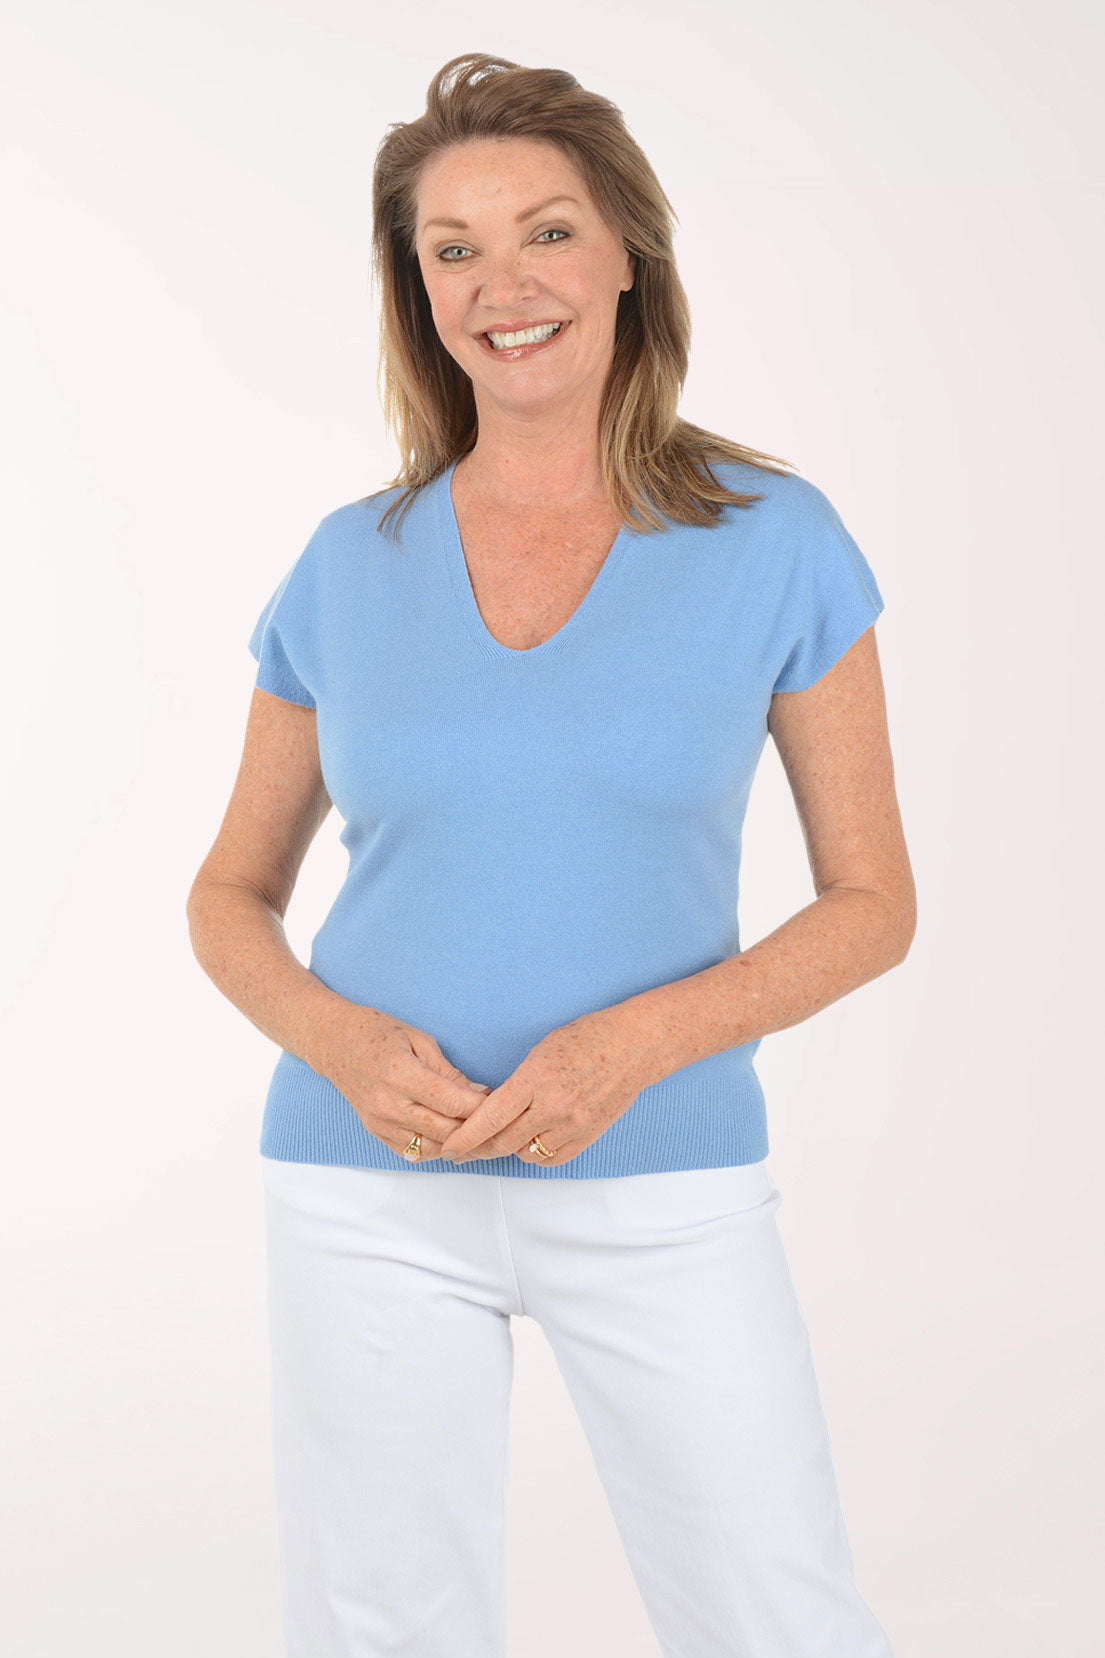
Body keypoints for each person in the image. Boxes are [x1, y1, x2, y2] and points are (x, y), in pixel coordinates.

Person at [187, 51, 914, 1658]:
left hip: (662, 1173)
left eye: (544, 232)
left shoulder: (772, 538)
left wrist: (630, 1047)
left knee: (773, 1611)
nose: (500, 284)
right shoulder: (344, 563)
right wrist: (339, 1040)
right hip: (366, 1181)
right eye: (451, 248)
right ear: (414, 290)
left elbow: (872, 904)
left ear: (627, 256)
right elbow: (227, 893)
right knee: (381, 1627)